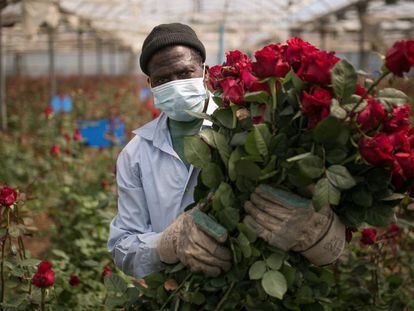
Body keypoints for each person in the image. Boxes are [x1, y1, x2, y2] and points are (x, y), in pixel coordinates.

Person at [107, 23, 346, 279]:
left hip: (259, 286)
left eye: (185, 72)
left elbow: (334, 248)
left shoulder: (250, 126)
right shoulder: (135, 155)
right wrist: (167, 244)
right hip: (176, 293)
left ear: (205, 72)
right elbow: (123, 247)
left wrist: (317, 233)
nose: (175, 84)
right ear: (150, 83)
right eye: (163, 80)